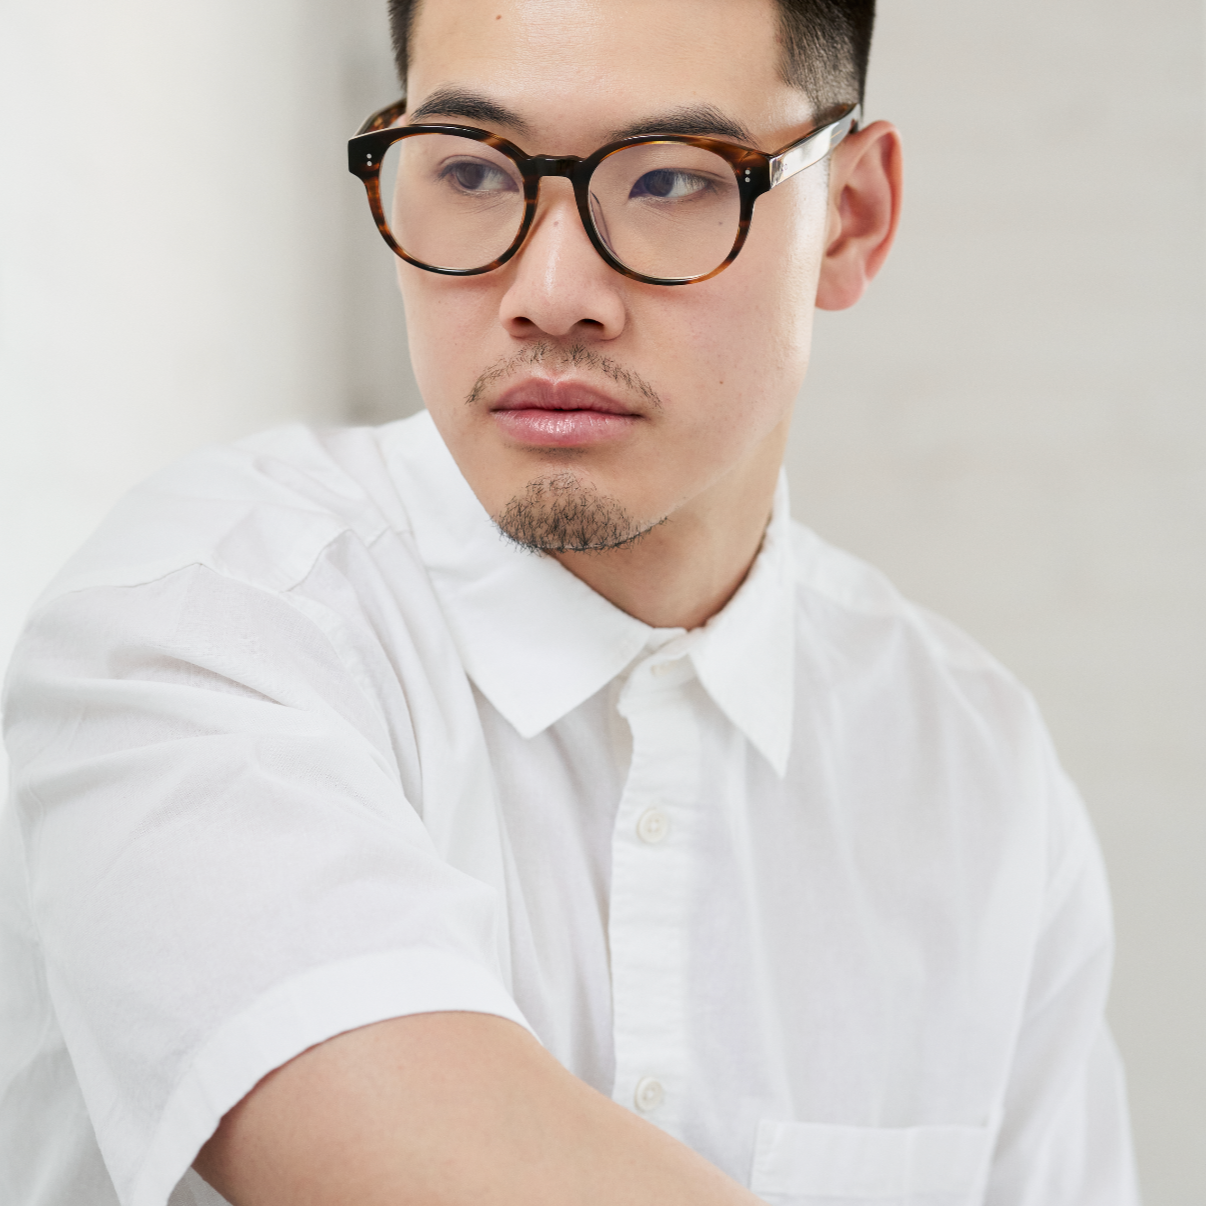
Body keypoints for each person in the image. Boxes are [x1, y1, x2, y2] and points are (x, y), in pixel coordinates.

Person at [0, 0, 1140, 1203]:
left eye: (666, 182)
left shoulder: (977, 777)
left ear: (850, 219)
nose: (550, 291)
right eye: (474, 170)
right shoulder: (196, 632)